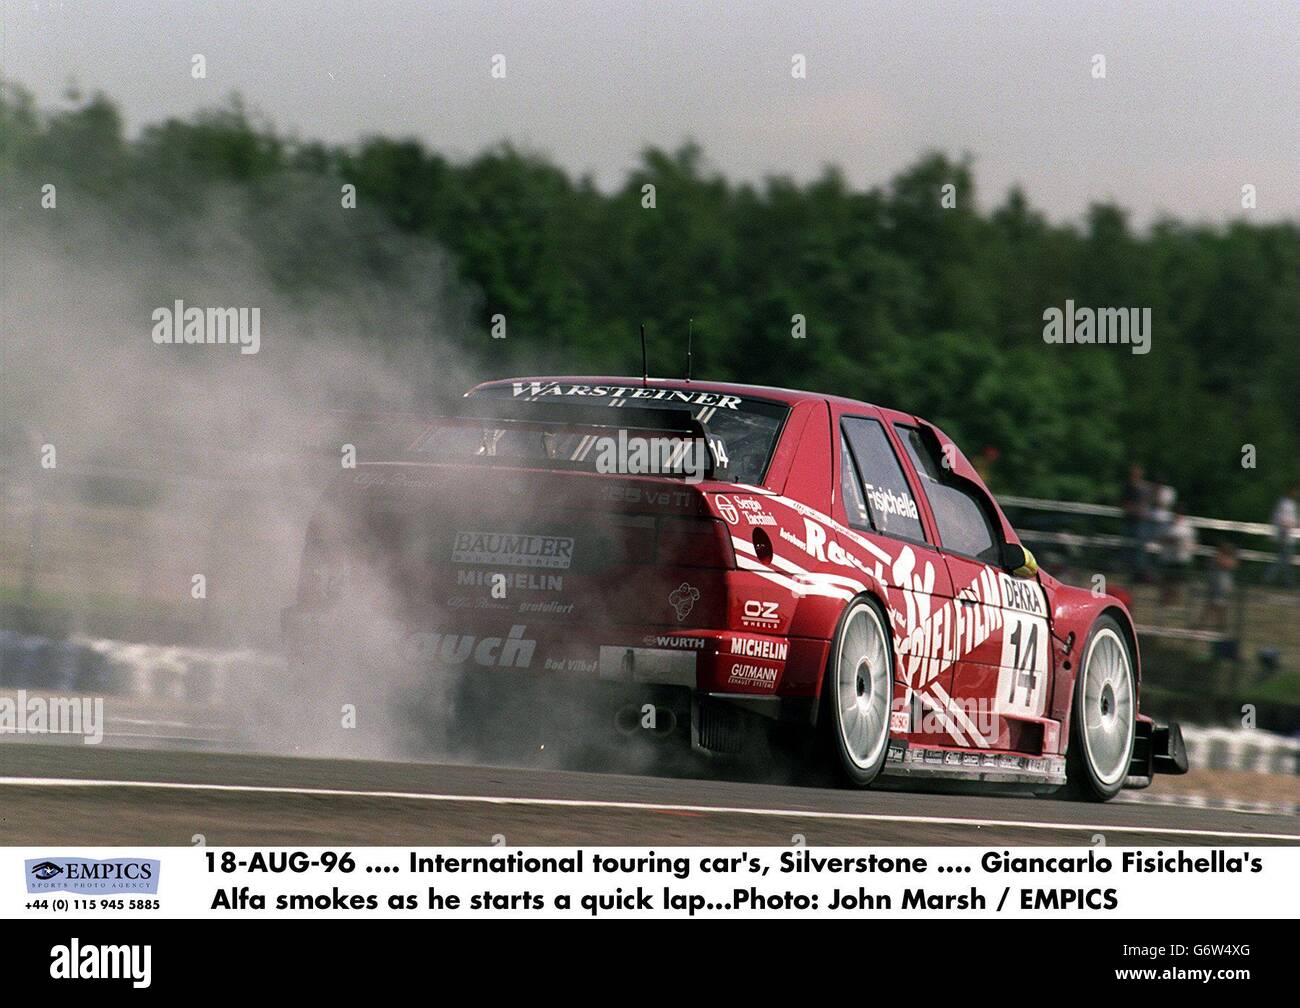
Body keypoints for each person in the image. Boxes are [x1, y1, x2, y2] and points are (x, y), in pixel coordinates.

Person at [1122, 464, 1153, 581]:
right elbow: (1125, 503)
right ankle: (1131, 569)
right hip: (1130, 519)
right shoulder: (1128, 486)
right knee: (1129, 545)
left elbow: (1146, 503)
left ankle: (1139, 572)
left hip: (1140, 521)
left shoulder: (1144, 487)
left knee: (1139, 546)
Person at [1160, 505, 1196, 605]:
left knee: (1178, 582)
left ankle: (1175, 602)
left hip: (1182, 558)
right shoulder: (1166, 525)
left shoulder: (1188, 527)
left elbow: (1192, 543)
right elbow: (1161, 538)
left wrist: (1183, 544)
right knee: (1166, 580)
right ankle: (1165, 600)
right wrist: (1170, 540)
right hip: (1168, 557)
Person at [1265, 485, 1297, 588]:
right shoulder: (1284, 504)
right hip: (1284, 535)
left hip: (1289, 536)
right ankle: (1269, 579)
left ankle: (1285, 582)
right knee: (1283, 560)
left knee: (1284, 560)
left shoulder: (1291, 504)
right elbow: (1282, 520)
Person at [1201, 542, 1238, 631]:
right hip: (1216, 586)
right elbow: (1219, 563)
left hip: (1223, 586)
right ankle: (1203, 626)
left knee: (1220, 607)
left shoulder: (1226, 560)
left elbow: (1231, 565)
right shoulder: (1215, 559)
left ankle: (1220, 627)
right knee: (1213, 606)